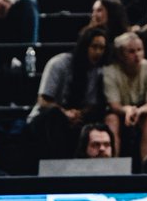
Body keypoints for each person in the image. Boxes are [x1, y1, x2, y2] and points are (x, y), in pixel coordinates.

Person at [27, 27, 110, 159]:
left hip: (77, 119)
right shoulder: (59, 63)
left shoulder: (97, 71)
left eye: (102, 48)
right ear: (85, 46)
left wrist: (78, 114)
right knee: (55, 117)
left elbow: (92, 104)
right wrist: (65, 113)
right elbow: (43, 100)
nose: (98, 52)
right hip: (46, 118)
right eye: (94, 47)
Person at [103, 31, 147, 167]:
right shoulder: (110, 72)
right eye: (131, 51)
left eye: (139, 50)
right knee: (111, 119)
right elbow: (113, 104)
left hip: (142, 113)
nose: (136, 55)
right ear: (120, 54)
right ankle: (111, 166)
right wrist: (127, 110)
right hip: (120, 114)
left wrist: (138, 111)